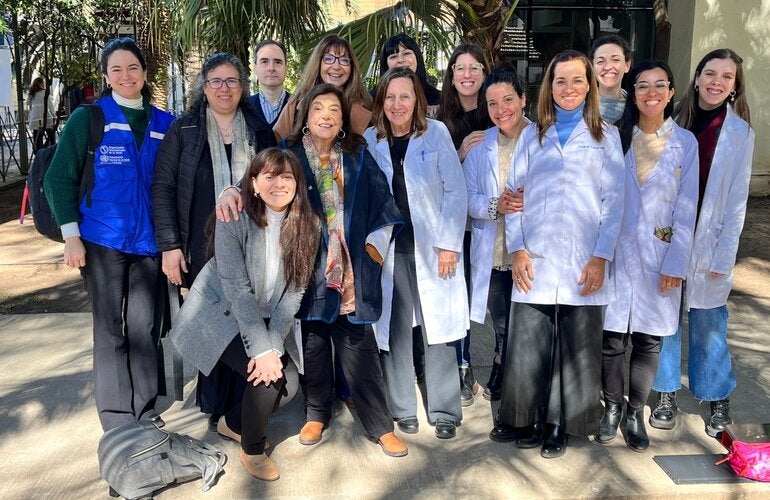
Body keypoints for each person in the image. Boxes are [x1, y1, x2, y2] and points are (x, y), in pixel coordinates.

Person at [216, 83, 408, 457]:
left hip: (350, 270)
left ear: (341, 121)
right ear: (306, 116)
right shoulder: (288, 154)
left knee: (360, 346)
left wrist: (374, 250)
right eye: (318, 108)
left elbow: (385, 204)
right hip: (304, 268)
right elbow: (254, 183)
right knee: (314, 344)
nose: (326, 115)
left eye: (334, 110)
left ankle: (381, 425)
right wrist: (228, 190)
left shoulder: (358, 156)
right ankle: (316, 412)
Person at [496, 50, 624, 458]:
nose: (569, 89)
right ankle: (524, 419)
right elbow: (514, 198)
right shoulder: (533, 136)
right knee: (530, 343)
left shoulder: (607, 136)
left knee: (575, 343)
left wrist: (601, 256)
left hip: (585, 258)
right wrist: (517, 250)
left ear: (590, 87)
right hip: (537, 255)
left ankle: (558, 424)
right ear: (549, 87)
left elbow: (615, 203)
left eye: (577, 81)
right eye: (560, 81)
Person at [44, 37, 175, 431]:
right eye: (116, 69)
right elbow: (57, 179)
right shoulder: (90, 118)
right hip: (101, 242)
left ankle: (145, 407)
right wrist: (71, 236)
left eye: (132, 68)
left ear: (145, 73)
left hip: (150, 244)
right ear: (106, 75)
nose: (125, 75)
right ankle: (117, 416)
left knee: (144, 327)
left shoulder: (164, 124)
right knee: (109, 328)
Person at [170, 148, 319, 481]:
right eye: (269, 176)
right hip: (216, 316)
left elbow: (294, 293)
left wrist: (274, 346)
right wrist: (262, 351)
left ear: (297, 184)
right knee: (268, 380)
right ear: (252, 183)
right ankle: (252, 449)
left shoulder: (308, 225)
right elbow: (237, 290)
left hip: (265, 319)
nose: (278, 184)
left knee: (288, 383)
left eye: (287, 176)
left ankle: (232, 424)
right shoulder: (233, 219)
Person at [153, 52, 276, 435]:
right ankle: (215, 404)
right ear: (203, 87)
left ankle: (241, 406)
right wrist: (170, 245)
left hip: (249, 246)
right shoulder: (184, 130)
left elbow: (274, 184)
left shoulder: (258, 128)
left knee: (244, 318)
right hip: (198, 244)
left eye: (232, 81)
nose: (224, 89)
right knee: (213, 322)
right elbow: (163, 188)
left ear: (243, 86)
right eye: (215, 82)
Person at [650, 48, 755, 438]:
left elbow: (738, 198)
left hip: (709, 240)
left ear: (734, 87)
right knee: (665, 317)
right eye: (711, 73)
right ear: (696, 77)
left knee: (710, 321)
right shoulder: (669, 121)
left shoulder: (741, 134)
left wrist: (725, 253)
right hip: (668, 237)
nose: (716, 82)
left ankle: (715, 396)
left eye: (726, 77)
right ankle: (665, 392)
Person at [596, 60, 698, 452]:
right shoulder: (613, 137)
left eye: (660, 85)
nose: (651, 93)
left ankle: (635, 411)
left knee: (648, 340)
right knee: (612, 338)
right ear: (631, 93)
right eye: (642, 86)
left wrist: (676, 263)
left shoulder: (684, 143)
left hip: (660, 257)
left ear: (672, 92)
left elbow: (687, 208)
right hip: (615, 253)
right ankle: (611, 407)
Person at [365, 68, 468, 439]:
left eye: (405, 97)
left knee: (438, 331)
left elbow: (456, 192)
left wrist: (448, 246)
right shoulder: (370, 139)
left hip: (433, 249)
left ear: (417, 100)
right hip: (390, 252)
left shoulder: (435, 134)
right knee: (394, 330)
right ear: (381, 102)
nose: (397, 105)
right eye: (390, 97)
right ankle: (402, 407)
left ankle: (444, 410)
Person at [464, 65, 529, 404]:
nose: (501, 110)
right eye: (492, 104)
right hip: (494, 252)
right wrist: (495, 205)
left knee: (526, 319)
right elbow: (467, 197)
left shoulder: (543, 140)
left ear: (523, 99)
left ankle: (513, 371)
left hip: (531, 250)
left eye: (508, 100)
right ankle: (503, 366)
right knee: (502, 318)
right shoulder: (480, 144)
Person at [437, 43, 493, 405]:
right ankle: (462, 365)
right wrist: (459, 154)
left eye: (475, 68)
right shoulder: (439, 121)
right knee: (457, 298)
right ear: (451, 75)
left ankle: (498, 366)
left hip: (492, 225)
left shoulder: (498, 114)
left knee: (485, 300)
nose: (467, 74)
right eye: (460, 68)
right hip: (456, 228)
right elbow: (433, 178)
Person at [273, 34, 371, 140]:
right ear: (318, 63)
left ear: (352, 67)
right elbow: (279, 148)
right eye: (328, 59)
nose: (336, 66)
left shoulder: (368, 106)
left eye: (344, 60)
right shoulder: (295, 106)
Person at [375, 33, 440, 117]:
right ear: (386, 64)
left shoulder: (439, 99)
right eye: (393, 56)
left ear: (417, 57)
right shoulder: (373, 99)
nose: (400, 60)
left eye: (406, 53)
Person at [249, 40, 291, 127]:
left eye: (277, 62)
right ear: (255, 68)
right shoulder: (244, 108)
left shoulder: (300, 107)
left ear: (286, 69)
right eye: (264, 61)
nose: (271, 68)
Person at [590, 35, 632, 124]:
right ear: (592, 67)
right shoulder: (582, 105)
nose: (608, 67)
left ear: (627, 65)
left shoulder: (636, 105)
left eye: (615, 60)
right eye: (600, 61)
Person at [27, 77, 55, 151]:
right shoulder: (45, 93)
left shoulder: (32, 93)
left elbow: (28, 103)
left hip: (35, 115)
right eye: (43, 83)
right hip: (45, 115)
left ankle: (38, 151)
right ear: (41, 84)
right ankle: (52, 149)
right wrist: (54, 115)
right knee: (50, 134)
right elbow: (50, 106)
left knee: (36, 135)